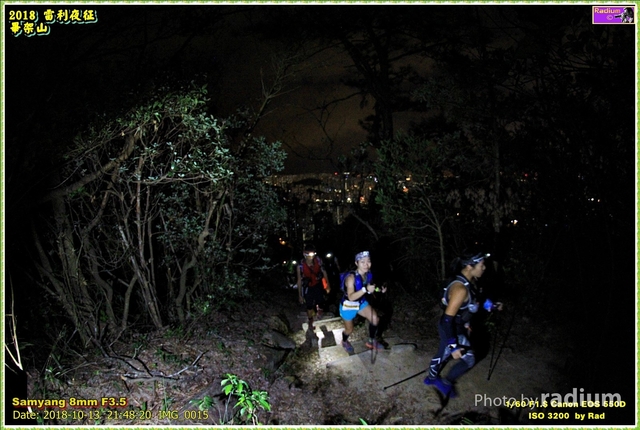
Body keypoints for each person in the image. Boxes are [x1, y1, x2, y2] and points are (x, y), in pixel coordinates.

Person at [424, 251, 502, 398]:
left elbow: (476, 301)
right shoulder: (460, 289)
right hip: (450, 329)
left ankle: (445, 380)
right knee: (443, 355)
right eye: (481, 265)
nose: (484, 267)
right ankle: (432, 378)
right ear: (469, 266)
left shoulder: (471, 281)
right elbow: (447, 320)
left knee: (468, 359)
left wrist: (492, 306)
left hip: (460, 327)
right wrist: (453, 345)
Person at [339, 251, 387, 353]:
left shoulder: (368, 274)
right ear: (356, 263)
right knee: (349, 330)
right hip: (348, 305)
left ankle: (371, 341)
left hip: (361, 302)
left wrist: (379, 290)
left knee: (375, 319)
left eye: (368, 261)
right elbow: (351, 297)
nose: (366, 264)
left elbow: (370, 289)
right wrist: (365, 290)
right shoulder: (351, 278)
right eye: (362, 262)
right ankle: (344, 341)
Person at [297, 244, 330, 330]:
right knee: (309, 305)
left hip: (317, 284)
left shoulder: (318, 261)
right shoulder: (300, 265)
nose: (311, 257)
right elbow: (299, 280)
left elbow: (324, 273)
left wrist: (327, 285)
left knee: (321, 300)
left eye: (313, 254)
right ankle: (310, 321)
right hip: (308, 286)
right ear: (305, 254)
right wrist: (300, 295)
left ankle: (319, 309)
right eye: (309, 254)